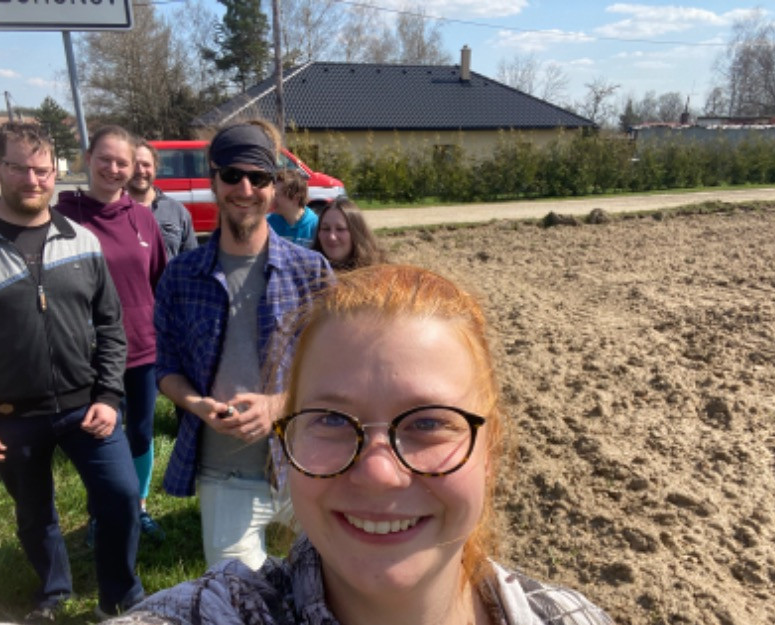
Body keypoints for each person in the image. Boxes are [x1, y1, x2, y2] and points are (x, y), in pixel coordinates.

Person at [104, 264, 613, 625]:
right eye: (330, 418)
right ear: (287, 442)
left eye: (429, 423)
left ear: (492, 453)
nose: (378, 474)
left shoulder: (571, 617)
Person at [0, 121, 144, 620]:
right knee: (34, 513)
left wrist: (109, 396)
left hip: (86, 407)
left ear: (56, 171)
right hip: (7, 415)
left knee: (123, 498)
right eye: (19, 168)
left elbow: (111, 326)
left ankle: (121, 596)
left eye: (42, 170)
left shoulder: (81, 240)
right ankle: (54, 593)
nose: (33, 180)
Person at [154, 120, 332, 570]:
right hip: (224, 472)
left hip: (307, 463)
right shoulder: (181, 274)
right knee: (237, 604)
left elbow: (340, 370)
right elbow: (166, 367)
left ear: (274, 186)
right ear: (214, 180)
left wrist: (278, 405)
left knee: (330, 595)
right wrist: (196, 405)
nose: (245, 188)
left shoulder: (311, 272)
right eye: (232, 175)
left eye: (259, 177)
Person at [54, 126, 169, 543]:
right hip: (87, 354)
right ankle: (103, 513)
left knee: (139, 431)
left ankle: (138, 506)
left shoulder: (142, 218)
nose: (114, 169)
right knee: (99, 435)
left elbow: (160, 281)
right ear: (87, 158)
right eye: (105, 159)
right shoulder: (62, 219)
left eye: (123, 162)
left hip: (141, 348)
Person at [127, 139, 199, 259]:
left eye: (146, 164)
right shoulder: (113, 212)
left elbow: (192, 261)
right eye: (134, 164)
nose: (140, 170)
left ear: (155, 168)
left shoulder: (178, 212)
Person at [311, 197, 386, 271]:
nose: (332, 237)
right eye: (326, 229)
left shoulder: (378, 273)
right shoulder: (307, 274)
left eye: (340, 229)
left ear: (357, 233)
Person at [267, 168, 317, 247]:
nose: (272, 198)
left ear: (295, 199)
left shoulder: (315, 226)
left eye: (277, 195)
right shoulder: (268, 223)